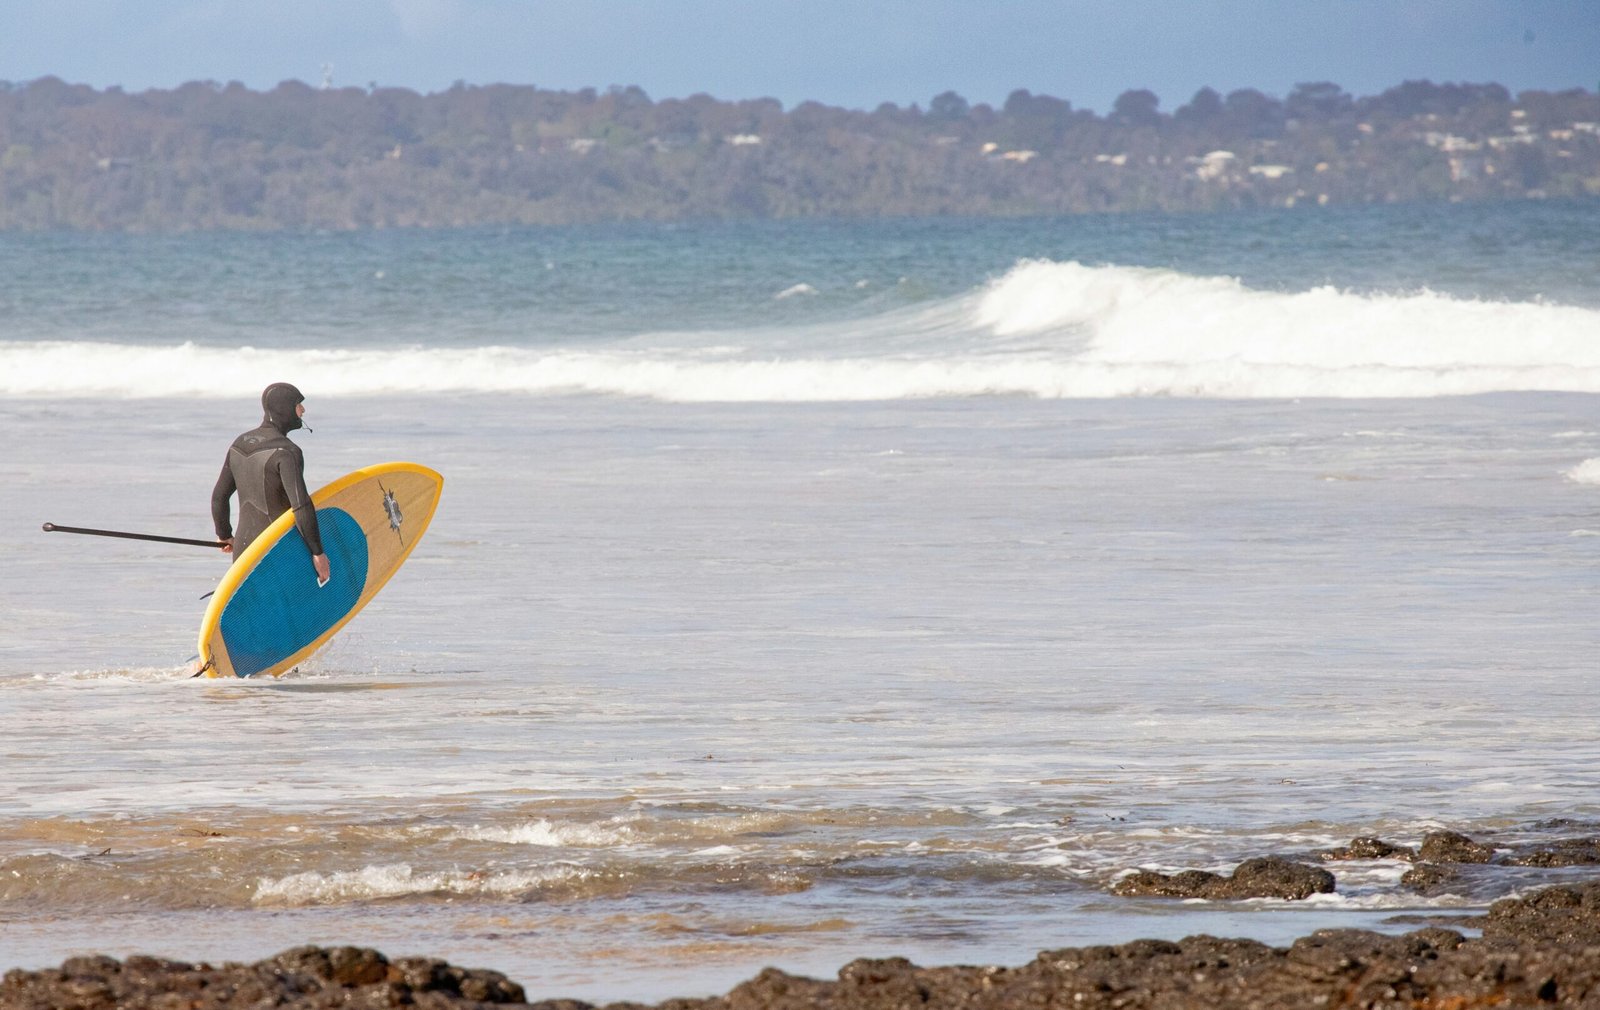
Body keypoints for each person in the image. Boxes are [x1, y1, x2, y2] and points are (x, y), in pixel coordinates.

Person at [210, 382, 331, 585]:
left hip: (244, 550)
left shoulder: (239, 444)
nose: (303, 410)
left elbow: (219, 496)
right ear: (284, 409)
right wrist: (318, 552)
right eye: (298, 404)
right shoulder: (287, 452)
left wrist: (224, 534)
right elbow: (300, 505)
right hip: (278, 550)